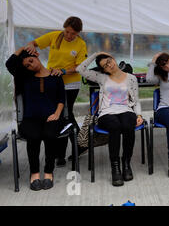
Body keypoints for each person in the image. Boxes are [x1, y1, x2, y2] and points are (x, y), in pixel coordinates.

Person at [24, 16, 88, 166]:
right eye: (67, 32)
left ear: (78, 33)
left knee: (66, 115)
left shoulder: (81, 44)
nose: (69, 36)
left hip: (70, 84)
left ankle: (68, 151)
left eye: (73, 33)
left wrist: (64, 71)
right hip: (52, 82)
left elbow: (80, 67)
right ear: (64, 28)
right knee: (57, 116)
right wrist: (31, 46)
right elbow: (34, 43)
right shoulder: (54, 36)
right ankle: (71, 148)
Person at [77, 52, 143, 186]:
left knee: (127, 125)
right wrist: (96, 54)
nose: (109, 65)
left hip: (126, 109)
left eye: (109, 61)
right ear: (103, 70)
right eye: (105, 66)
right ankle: (115, 167)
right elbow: (80, 69)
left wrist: (139, 115)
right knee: (115, 126)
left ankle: (126, 164)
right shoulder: (102, 78)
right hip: (106, 113)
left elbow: (136, 100)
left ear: (113, 59)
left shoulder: (131, 78)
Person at [6, 47, 66, 190]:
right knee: (33, 136)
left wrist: (57, 113)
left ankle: (48, 172)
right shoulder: (24, 77)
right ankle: (34, 173)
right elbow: (9, 64)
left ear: (37, 56)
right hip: (30, 118)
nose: (31, 65)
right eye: (27, 65)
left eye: (31, 61)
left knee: (50, 134)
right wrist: (22, 49)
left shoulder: (55, 76)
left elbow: (61, 98)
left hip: (52, 116)